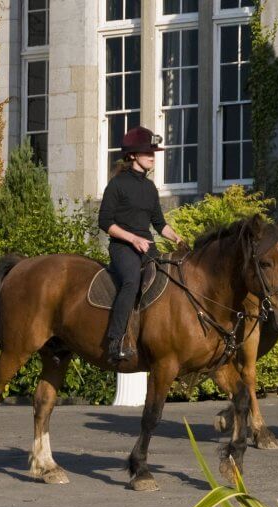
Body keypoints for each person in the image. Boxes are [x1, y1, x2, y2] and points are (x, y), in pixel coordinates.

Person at [98, 127, 184, 364]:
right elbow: (104, 222)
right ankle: (115, 341)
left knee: (170, 276)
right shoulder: (116, 185)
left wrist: (177, 238)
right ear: (133, 155)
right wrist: (132, 239)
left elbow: (159, 224)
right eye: (148, 153)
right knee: (131, 281)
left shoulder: (149, 188)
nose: (152, 157)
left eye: (153, 153)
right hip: (122, 247)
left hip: (147, 246)